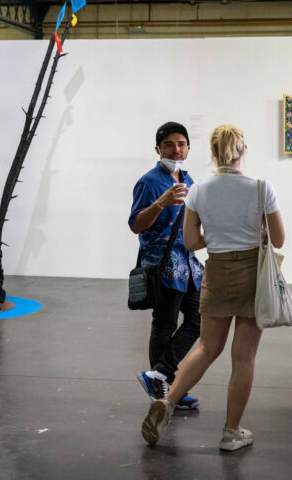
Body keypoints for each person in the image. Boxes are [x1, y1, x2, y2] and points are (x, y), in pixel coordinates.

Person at [141, 124, 285, 451]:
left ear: (213, 152)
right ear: (242, 150)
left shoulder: (198, 190)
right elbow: (277, 239)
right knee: (243, 357)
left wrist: (217, 237)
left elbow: (191, 243)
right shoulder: (262, 187)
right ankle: (231, 433)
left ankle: (167, 402)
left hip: (217, 271)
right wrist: (255, 235)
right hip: (253, 274)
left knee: (207, 347)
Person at [128, 121, 204, 411]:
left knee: (199, 321)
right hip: (163, 263)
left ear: (188, 148)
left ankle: (159, 376)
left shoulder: (189, 179)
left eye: (181, 143)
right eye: (170, 144)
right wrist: (159, 203)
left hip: (189, 263)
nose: (177, 149)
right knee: (165, 324)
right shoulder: (149, 182)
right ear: (158, 148)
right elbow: (136, 224)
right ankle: (165, 390)